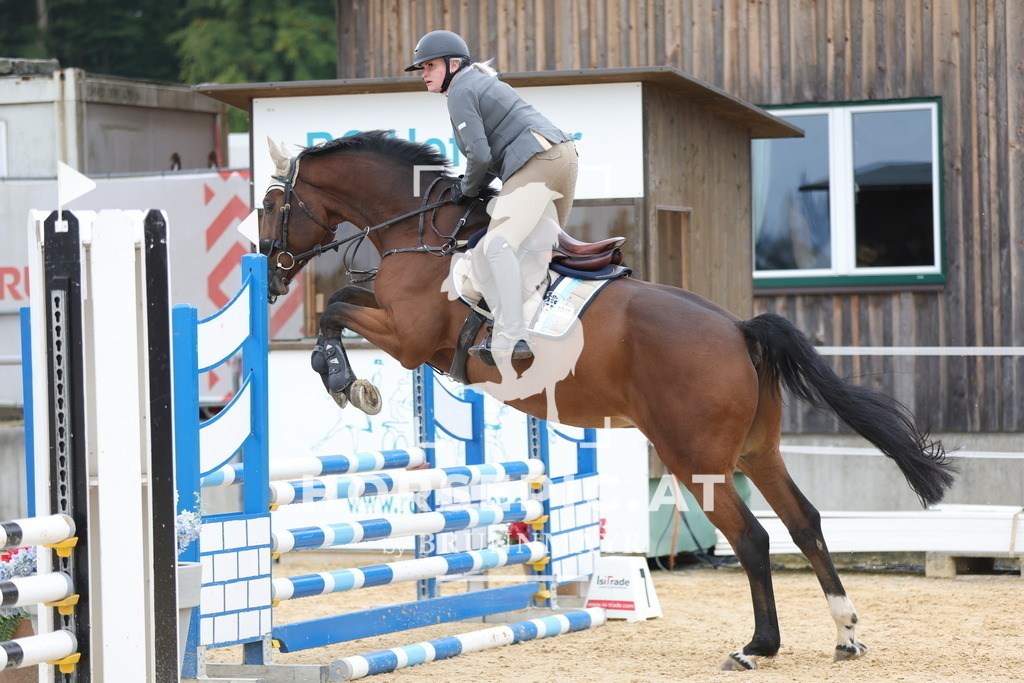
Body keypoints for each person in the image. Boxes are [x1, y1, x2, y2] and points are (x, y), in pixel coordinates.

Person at [406, 30, 579, 364]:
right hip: (563, 157)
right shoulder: (476, 83)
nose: (424, 73)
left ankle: (513, 336)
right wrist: (470, 184)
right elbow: (487, 158)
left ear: (453, 64)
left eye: (429, 65)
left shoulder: (460, 91)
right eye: (422, 67)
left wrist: (464, 189)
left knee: (496, 246)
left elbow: (480, 156)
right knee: (540, 250)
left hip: (538, 161)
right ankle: (551, 324)